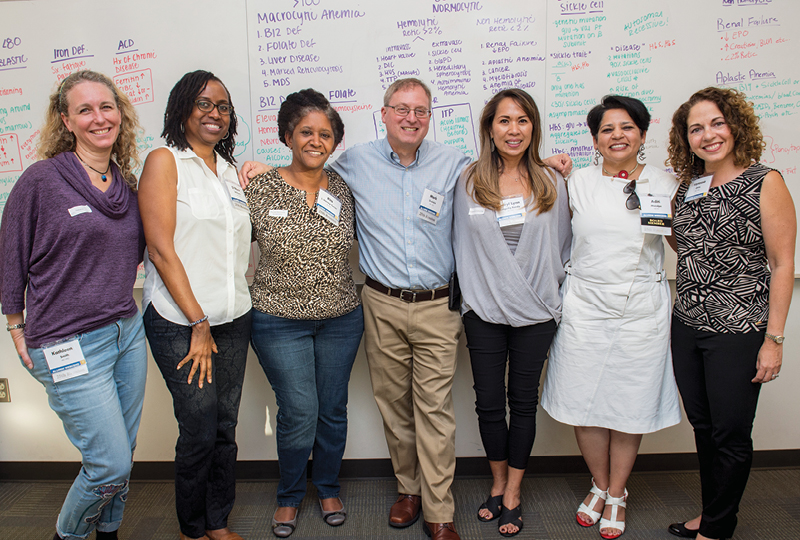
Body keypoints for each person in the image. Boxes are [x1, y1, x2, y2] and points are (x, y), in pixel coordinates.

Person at [239, 78, 571, 540]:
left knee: (434, 410)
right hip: (379, 304)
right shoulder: (353, 163)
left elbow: (508, 170)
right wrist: (261, 168)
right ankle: (408, 490)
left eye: (421, 110)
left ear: (430, 117)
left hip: (438, 305)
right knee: (394, 408)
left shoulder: (457, 166)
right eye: (402, 109)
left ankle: (439, 511)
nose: (411, 118)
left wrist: (549, 163)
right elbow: (306, 167)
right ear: (384, 113)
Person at [0, 70, 146, 540]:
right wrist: (16, 327)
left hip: (127, 333)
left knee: (124, 453)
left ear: (119, 113)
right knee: (108, 464)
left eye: (107, 107)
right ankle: (68, 535)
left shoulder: (125, 185)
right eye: (85, 109)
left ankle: (109, 533)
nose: (99, 118)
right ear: (66, 120)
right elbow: (10, 255)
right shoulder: (42, 180)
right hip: (66, 342)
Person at [541, 95, 682, 539]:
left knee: (628, 404)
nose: (617, 135)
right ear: (595, 140)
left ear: (641, 133)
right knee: (584, 401)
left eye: (626, 127)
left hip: (641, 308)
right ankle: (598, 485)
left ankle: (617, 493)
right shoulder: (576, 181)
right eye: (607, 129)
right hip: (585, 304)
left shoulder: (666, 182)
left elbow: (681, 242)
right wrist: (545, 166)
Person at [665, 87, 795, 540]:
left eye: (716, 123)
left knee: (731, 432)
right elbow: (686, 244)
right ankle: (713, 511)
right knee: (704, 426)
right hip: (686, 325)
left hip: (738, 329)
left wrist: (773, 340)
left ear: (735, 125)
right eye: (696, 128)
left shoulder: (766, 180)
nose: (708, 135)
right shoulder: (689, 185)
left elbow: (782, 264)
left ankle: (718, 529)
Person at [244, 89, 363, 538]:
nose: (316, 141)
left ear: (335, 142)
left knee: (333, 408)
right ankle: (290, 495)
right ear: (287, 136)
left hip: (341, 317)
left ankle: (328, 486)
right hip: (277, 320)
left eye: (326, 134)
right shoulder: (258, 186)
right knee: (299, 410)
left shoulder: (346, 188)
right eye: (306, 132)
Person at [452, 88, 571, 537]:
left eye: (522, 120)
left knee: (523, 404)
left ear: (533, 128)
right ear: (489, 128)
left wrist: (537, 292)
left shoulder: (552, 181)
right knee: (488, 405)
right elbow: (460, 246)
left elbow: (561, 246)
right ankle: (497, 481)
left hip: (536, 311)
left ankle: (515, 491)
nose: (513, 129)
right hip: (482, 310)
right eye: (504, 121)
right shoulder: (468, 181)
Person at [138, 71, 252, 540]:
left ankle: (217, 522)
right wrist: (198, 322)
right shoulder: (166, 161)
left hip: (233, 317)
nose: (214, 113)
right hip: (180, 322)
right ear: (182, 108)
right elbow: (161, 249)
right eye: (204, 103)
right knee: (199, 427)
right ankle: (191, 528)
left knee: (225, 425)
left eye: (223, 106)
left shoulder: (229, 171)